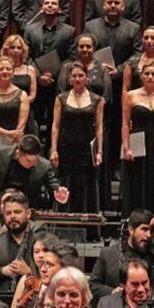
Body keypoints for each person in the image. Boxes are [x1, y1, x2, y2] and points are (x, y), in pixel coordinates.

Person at [121, 60, 154, 216]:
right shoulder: (130, 95)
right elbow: (125, 124)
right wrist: (126, 147)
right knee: (137, 182)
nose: (150, 77)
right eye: (147, 74)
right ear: (141, 76)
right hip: (137, 141)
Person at [50, 62, 105, 213]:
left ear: (87, 78)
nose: (77, 79)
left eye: (81, 75)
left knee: (86, 185)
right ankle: (63, 226)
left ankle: (89, 229)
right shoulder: (60, 98)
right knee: (65, 183)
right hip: (65, 148)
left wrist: (100, 151)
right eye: (74, 76)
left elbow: (99, 127)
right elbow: (55, 125)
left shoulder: (97, 100)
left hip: (87, 150)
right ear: (69, 79)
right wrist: (54, 150)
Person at [23, 0, 76, 130]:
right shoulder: (30, 30)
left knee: (55, 120)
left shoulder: (69, 31)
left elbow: (71, 57)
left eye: (53, 3)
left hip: (57, 82)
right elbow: (26, 56)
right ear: (42, 8)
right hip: (36, 81)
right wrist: (39, 76)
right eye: (46, 3)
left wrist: (53, 74)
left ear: (59, 9)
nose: (50, 5)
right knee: (34, 120)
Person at [0, 134, 66, 209]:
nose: (32, 163)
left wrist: (59, 193)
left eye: (35, 160)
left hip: (24, 210)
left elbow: (54, 186)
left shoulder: (44, 165)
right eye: (28, 161)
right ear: (18, 153)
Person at [0, 190, 41, 293]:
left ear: (28, 214)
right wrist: (2, 271)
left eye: (17, 212)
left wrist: (29, 272)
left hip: (33, 299)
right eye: (8, 213)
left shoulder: (41, 242)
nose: (12, 216)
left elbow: (53, 275)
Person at [0, 55, 31, 155]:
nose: (5, 71)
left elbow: (22, 123)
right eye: (1, 69)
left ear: (13, 72)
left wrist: (14, 135)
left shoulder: (22, 94)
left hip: (14, 140)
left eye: (8, 69)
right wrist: (6, 133)